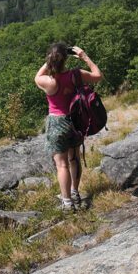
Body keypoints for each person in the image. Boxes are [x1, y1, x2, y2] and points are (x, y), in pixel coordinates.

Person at [35, 42, 102, 211]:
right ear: (66, 59)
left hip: (57, 122)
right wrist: (83, 56)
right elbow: (98, 75)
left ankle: (67, 202)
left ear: (50, 59)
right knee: (74, 159)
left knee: (61, 165)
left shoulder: (48, 81)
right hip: (76, 120)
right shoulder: (76, 74)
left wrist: (51, 59)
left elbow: (37, 76)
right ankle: (75, 192)